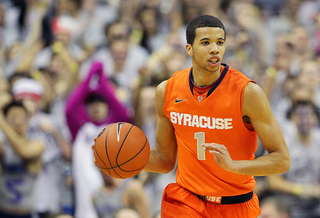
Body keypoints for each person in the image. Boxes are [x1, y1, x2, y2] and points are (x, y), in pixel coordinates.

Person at [143, 15, 290, 218]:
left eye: (220, 42)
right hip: (188, 202)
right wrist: (126, 159)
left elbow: (282, 160)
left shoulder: (248, 93)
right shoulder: (167, 91)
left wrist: (234, 165)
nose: (215, 49)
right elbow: (165, 160)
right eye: (205, 42)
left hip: (235, 204)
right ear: (189, 49)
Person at [267, 100, 320, 218]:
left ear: (316, 119)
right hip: (289, 205)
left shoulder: (318, 141)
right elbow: (272, 181)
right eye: (300, 115)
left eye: (309, 115)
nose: (305, 120)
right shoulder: (283, 144)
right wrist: (300, 190)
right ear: (292, 119)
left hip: (316, 203)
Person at [0, 100, 44, 217]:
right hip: (3, 212)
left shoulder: (37, 144)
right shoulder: (2, 145)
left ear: (28, 120)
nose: (18, 122)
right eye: (13, 118)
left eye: (21, 117)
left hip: (26, 213)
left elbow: (23, 151)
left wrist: (2, 123)